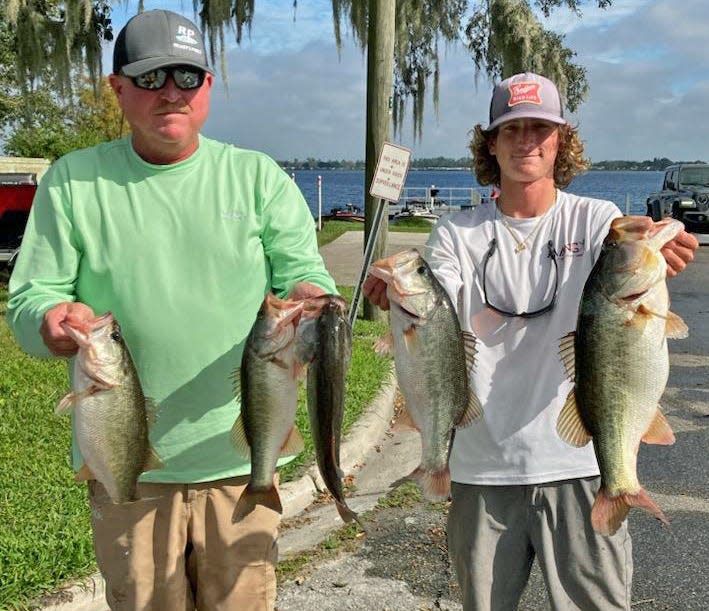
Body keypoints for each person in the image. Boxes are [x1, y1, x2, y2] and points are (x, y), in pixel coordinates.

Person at [7, 9, 335, 611]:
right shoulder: (73, 181)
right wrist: (49, 321)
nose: (171, 94)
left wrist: (313, 297)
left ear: (208, 85)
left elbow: (301, 274)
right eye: (152, 79)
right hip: (127, 467)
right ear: (118, 89)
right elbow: (30, 298)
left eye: (187, 77)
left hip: (241, 461)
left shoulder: (256, 177)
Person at [364, 72, 698, 610]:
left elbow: (625, 245)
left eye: (540, 128)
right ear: (490, 143)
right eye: (511, 128)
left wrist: (660, 240)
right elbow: (437, 294)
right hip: (480, 466)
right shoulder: (457, 232)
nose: (526, 140)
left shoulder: (595, 220)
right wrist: (396, 291)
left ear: (561, 139)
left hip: (582, 463)